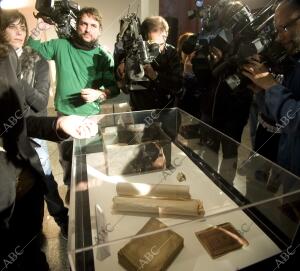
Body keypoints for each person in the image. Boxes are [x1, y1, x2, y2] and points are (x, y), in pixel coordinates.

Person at [0, 36, 98, 271]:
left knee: (33, 251)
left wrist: (58, 125)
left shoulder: (5, 57)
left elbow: (16, 120)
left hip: (26, 184)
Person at [27, 7, 119, 202]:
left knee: (93, 161)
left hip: (91, 117)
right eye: (83, 24)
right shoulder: (61, 45)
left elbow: (114, 88)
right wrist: (38, 29)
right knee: (68, 160)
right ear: (76, 26)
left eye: (93, 25)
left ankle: (92, 196)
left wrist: (100, 93)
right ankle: (73, 195)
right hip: (65, 117)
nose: (88, 29)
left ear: (99, 30)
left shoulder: (104, 55)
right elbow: (31, 51)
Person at [1, 9, 69, 237]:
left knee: (45, 181)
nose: (19, 33)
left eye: (23, 28)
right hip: (6, 142)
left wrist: (17, 79)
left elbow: (40, 102)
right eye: (13, 27)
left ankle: (62, 219)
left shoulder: (36, 58)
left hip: (33, 131)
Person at [242, 0, 300, 178]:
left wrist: (271, 86)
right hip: (290, 169)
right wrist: (261, 91)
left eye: (283, 28)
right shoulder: (294, 63)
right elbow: (279, 118)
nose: (279, 37)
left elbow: (296, 120)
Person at [115, 15, 182, 111]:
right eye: (147, 31)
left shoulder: (171, 52)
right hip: (140, 110)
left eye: (154, 30)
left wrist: (155, 76)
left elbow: (178, 84)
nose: (149, 34)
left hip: (166, 110)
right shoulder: (135, 51)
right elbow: (125, 87)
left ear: (165, 33)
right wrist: (123, 67)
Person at [176, 32, 202, 119]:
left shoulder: (203, 70)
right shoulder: (176, 71)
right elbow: (180, 104)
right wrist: (187, 75)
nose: (191, 54)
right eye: (187, 49)